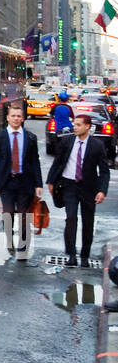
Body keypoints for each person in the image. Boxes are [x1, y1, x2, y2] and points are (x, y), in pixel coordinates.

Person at [0, 100, 43, 259]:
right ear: (7, 118)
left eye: (19, 116)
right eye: (13, 116)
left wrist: (38, 184)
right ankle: (9, 240)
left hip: (25, 182)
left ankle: (23, 247)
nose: (16, 118)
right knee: (8, 213)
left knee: (23, 215)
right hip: (6, 182)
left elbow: (35, 161)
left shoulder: (30, 137)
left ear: (22, 118)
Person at [47, 112, 110, 267]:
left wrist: (102, 190)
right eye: (74, 124)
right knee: (71, 218)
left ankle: (84, 256)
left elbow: (104, 171)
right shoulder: (67, 142)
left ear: (87, 127)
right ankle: (71, 255)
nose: (74, 127)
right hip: (69, 186)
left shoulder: (97, 145)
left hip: (89, 188)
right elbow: (58, 162)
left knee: (88, 222)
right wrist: (51, 181)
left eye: (78, 125)